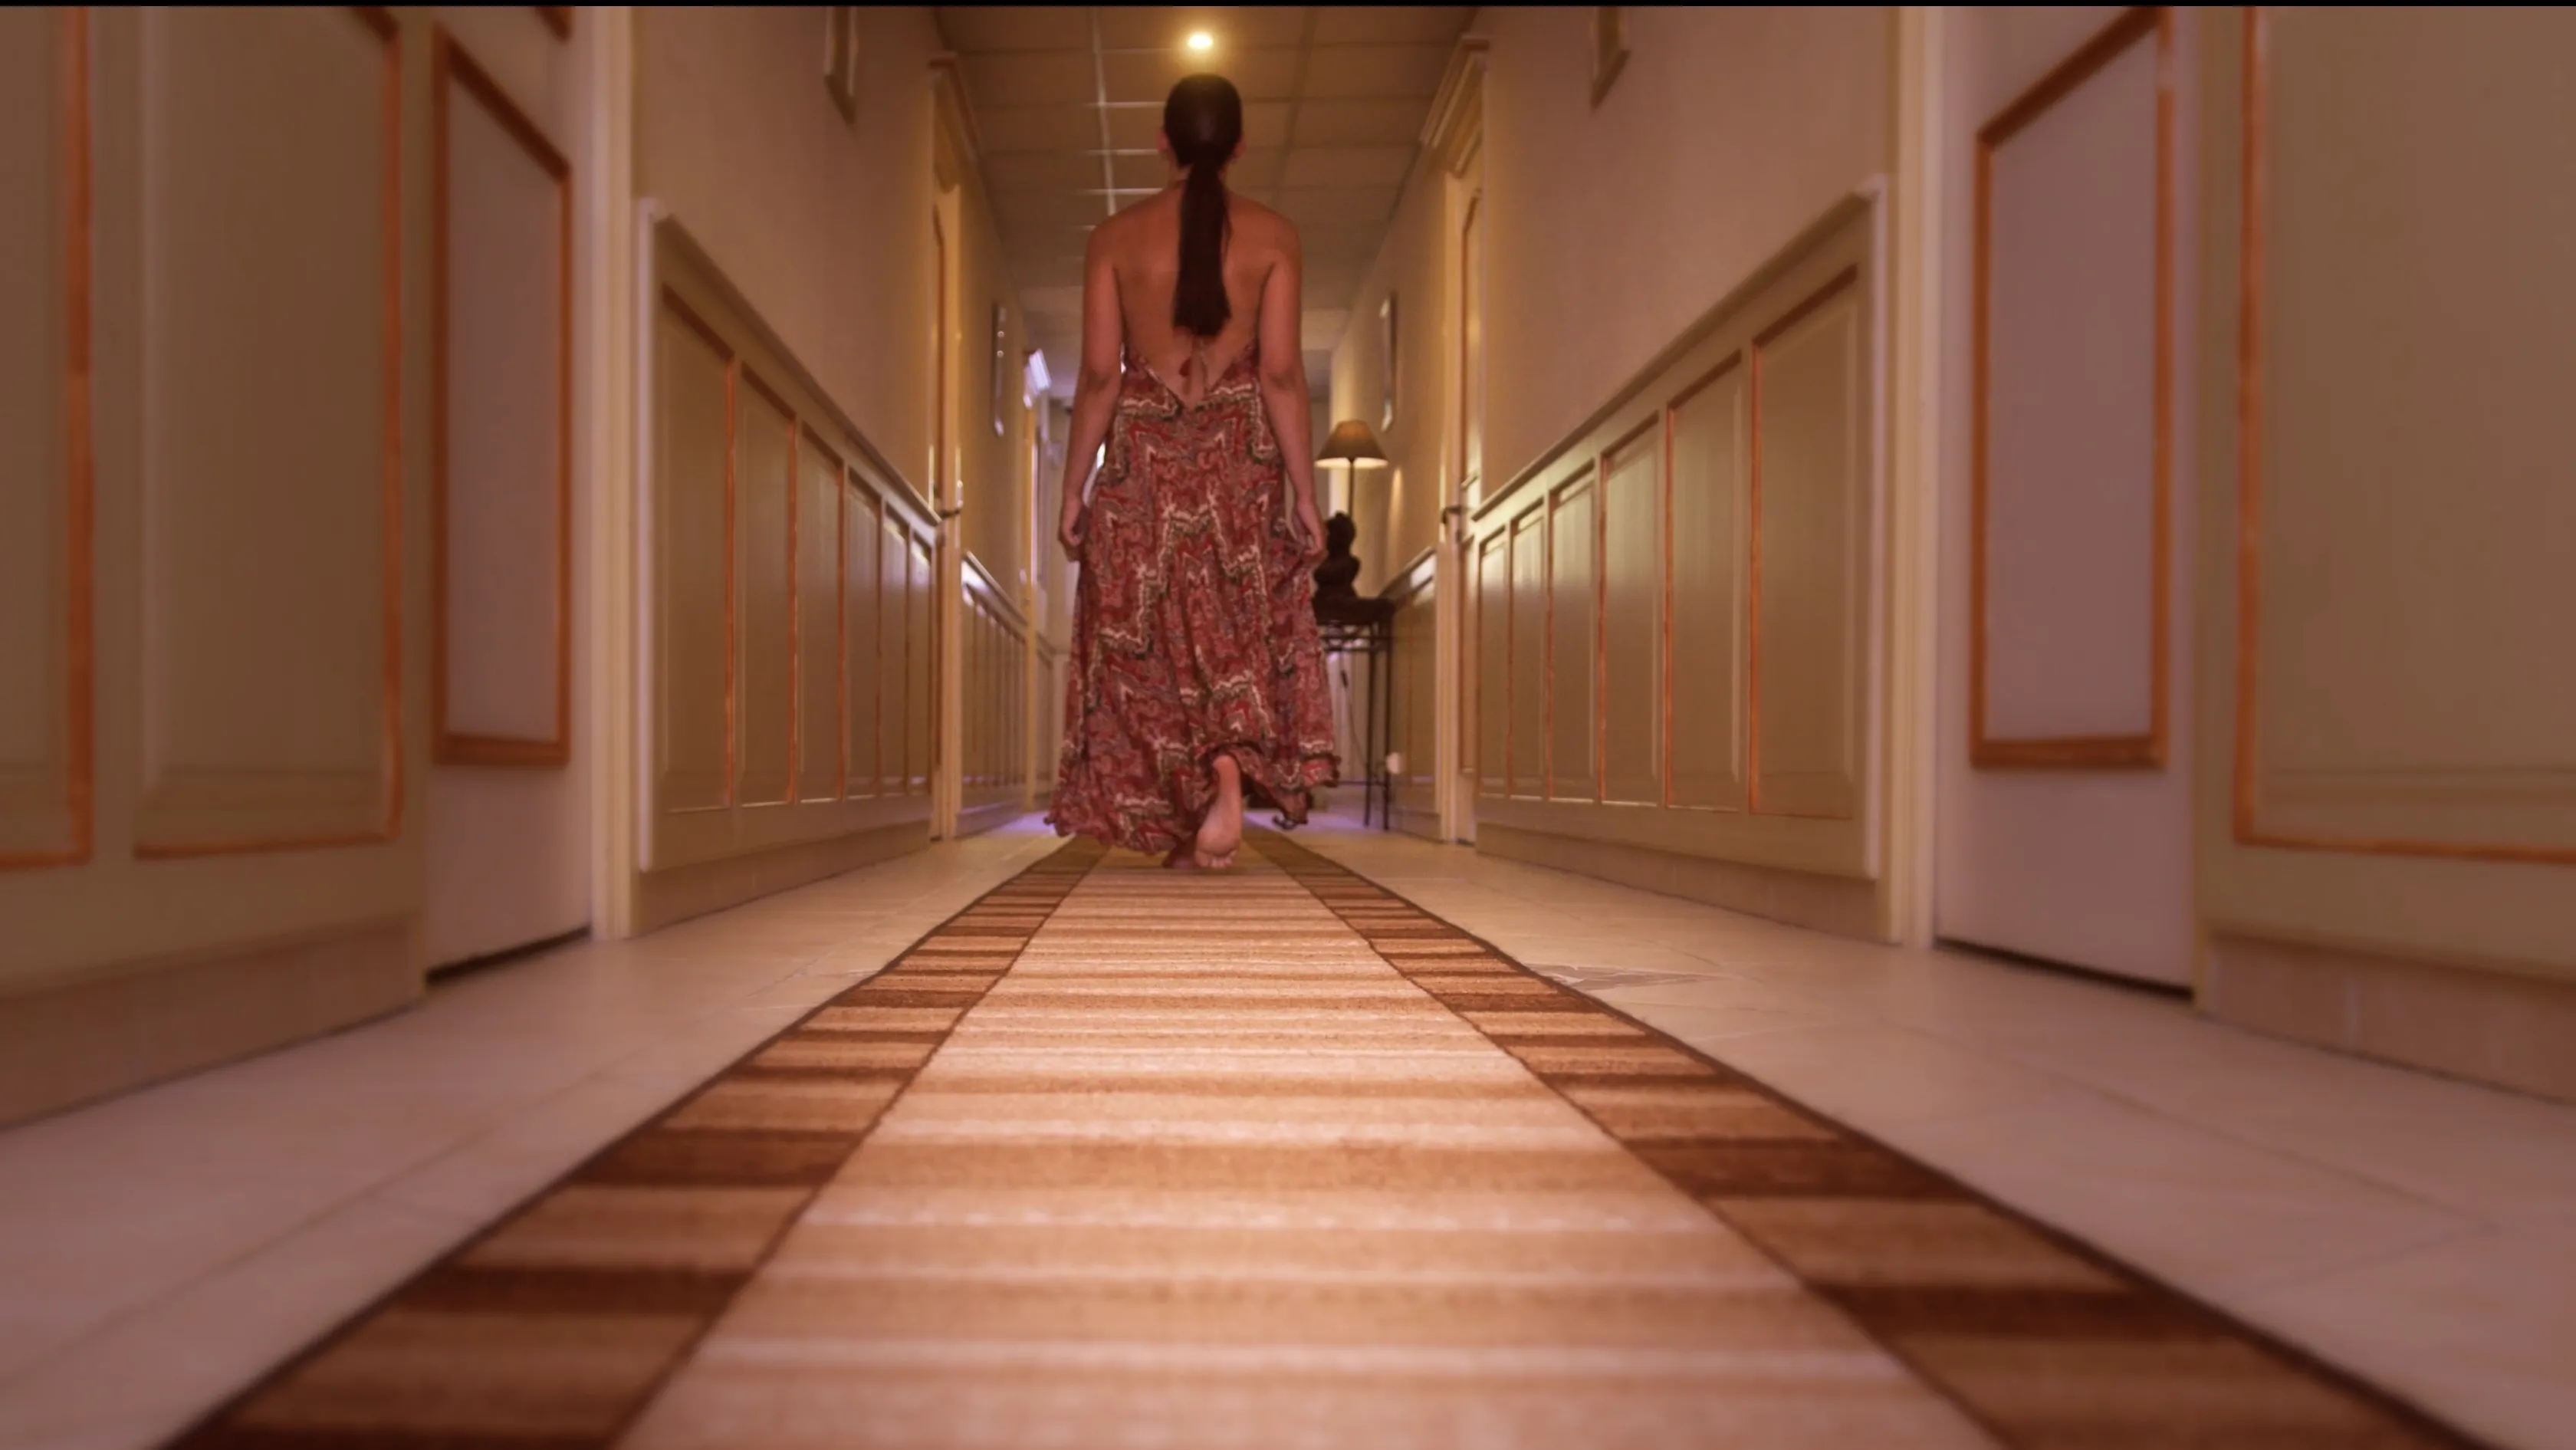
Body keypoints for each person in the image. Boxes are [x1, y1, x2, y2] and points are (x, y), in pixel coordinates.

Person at [1047, 74, 1339, 871]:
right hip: (1237, 459)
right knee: (1233, 624)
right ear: (1240, 146)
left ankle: (1204, 782)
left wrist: (1073, 487)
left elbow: (1102, 378)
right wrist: (1306, 495)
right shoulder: (1276, 237)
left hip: (1144, 458)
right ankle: (1223, 775)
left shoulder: (1113, 238)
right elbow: (1280, 375)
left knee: (1145, 638)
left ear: (1162, 143)